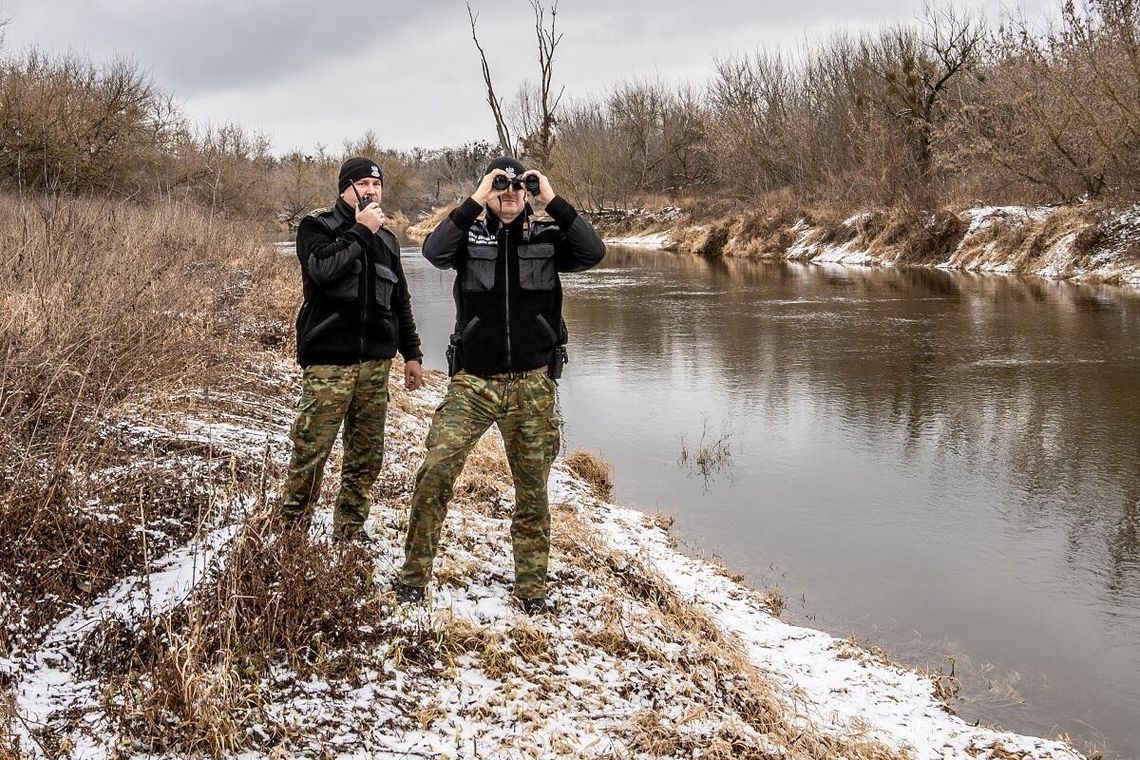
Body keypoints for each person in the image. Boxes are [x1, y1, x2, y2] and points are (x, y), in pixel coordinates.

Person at [396, 156, 605, 613]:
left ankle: (531, 588)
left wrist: (552, 199)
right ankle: (413, 576)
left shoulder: (548, 235)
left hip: (532, 384)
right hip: (473, 383)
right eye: (500, 187)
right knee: (435, 470)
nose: (510, 195)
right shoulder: (469, 236)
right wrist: (475, 200)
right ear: (489, 191)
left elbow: (593, 253)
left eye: (517, 188)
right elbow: (433, 252)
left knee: (533, 489)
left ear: (528, 192)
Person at [280, 156, 424, 541]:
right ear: (345, 189)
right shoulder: (317, 227)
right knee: (311, 453)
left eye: (377, 186)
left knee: (365, 457)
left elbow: (400, 301)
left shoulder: (389, 241)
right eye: (363, 185)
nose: (371, 191)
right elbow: (322, 270)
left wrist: (412, 354)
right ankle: (292, 534)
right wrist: (361, 232)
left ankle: (349, 530)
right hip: (329, 363)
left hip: (375, 367)